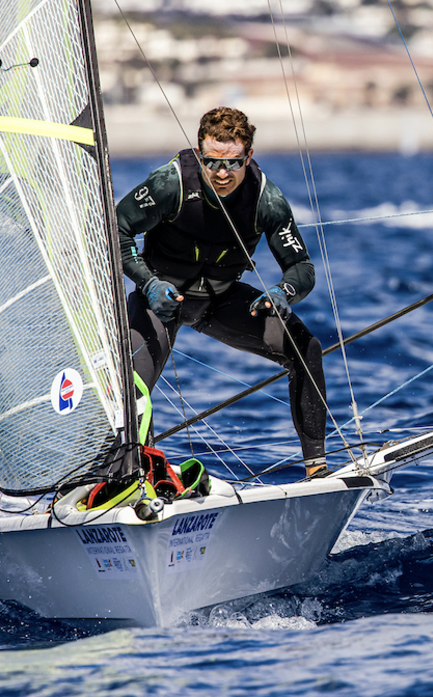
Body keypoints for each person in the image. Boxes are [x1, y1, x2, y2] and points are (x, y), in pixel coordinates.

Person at [117, 106, 329, 477]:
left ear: (249, 156)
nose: (221, 173)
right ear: (199, 154)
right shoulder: (170, 184)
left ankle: (317, 469)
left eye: (233, 163)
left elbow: (302, 267)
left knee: (305, 348)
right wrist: (149, 283)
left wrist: (283, 292)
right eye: (212, 162)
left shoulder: (266, 200)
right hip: (161, 302)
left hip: (221, 300)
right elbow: (115, 231)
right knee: (130, 382)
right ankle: (135, 477)